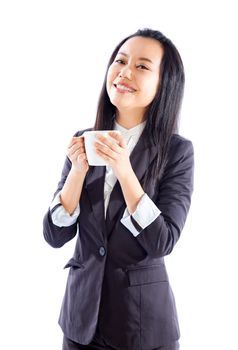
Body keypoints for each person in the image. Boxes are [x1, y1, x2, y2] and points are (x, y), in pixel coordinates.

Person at [43, 28, 194, 350]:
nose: (125, 72)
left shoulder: (177, 151)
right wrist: (77, 173)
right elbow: (55, 236)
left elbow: (162, 241)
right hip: (80, 321)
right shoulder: (85, 139)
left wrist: (125, 171)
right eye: (120, 61)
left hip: (142, 325)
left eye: (142, 66)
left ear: (163, 83)